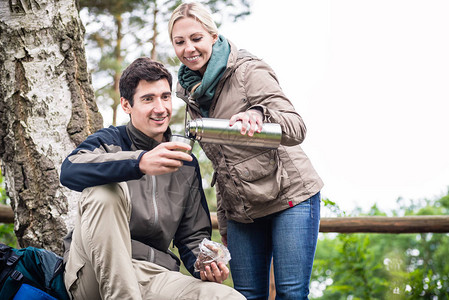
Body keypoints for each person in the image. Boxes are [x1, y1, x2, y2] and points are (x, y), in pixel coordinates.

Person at [168, 3, 325, 299]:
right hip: (242, 212)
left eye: (196, 38)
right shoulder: (191, 91)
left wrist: (259, 114)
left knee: (291, 293)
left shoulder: (248, 71)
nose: (188, 48)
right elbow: (222, 164)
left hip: (289, 197)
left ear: (213, 36)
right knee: (245, 295)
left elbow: (296, 127)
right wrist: (225, 223)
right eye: (180, 42)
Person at [59, 57, 245, 300]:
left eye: (165, 97)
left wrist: (204, 261)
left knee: (229, 298)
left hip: (152, 275)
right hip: (93, 272)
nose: (161, 108)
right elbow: (70, 170)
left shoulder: (185, 164)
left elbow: (192, 237)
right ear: (126, 105)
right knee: (105, 192)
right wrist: (139, 162)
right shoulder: (109, 141)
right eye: (148, 99)